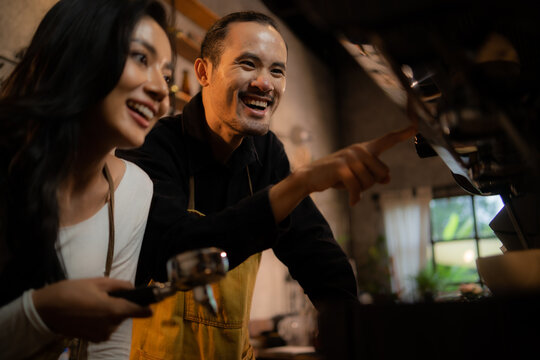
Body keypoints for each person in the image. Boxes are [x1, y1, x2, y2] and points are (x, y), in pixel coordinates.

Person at [117, 11, 415, 360]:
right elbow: (175, 252)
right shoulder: (154, 146)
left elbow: (315, 251)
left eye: (276, 71)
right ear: (203, 72)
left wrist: (346, 325)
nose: (265, 83)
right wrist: (301, 182)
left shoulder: (266, 154)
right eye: (248, 64)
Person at [0, 0, 174, 358]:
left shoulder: (136, 191)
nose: (162, 92)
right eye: (141, 58)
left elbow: (108, 344)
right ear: (82, 52)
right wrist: (40, 312)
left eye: (168, 76)